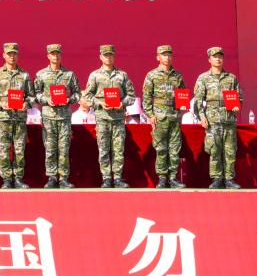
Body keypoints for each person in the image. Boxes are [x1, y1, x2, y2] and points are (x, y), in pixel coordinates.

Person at [82, 44, 136, 188]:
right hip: (102, 117)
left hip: (118, 118)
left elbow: (131, 95)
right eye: (105, 55)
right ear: (100, 57)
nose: (108, 58)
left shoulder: (122, 75)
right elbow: (87, 95)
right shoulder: (95, 75)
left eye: (111, 55)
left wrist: (122, 103)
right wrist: (100, 103)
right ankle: (106, 178)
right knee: (104, 148)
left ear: (114, 56)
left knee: (118, 149)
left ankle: (117, 177)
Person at [193, 46, 243, 189]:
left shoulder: (231, 78)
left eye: (220, 56)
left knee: (230, 150)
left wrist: (237, 105)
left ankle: (229, 179)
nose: (218, 59)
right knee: (214, 149)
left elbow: (239, 97)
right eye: (215, 57)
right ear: (209, 59)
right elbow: (198, 100)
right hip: (212, 119)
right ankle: (217, 178)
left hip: (228, 118)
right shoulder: (203, 78)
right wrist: (202, 116)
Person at [33, 44, 80, 189]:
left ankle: (63, 178)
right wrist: (46, 100)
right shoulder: (41, 74)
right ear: (48, 56)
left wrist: (69, 99)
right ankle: (52, 177)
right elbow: (35, 93)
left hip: (64, 116)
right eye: (53, 54)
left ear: (61, 55)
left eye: (58, 53)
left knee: (64, 148)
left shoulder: (69, 74)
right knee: (50, 148)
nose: (55, 56)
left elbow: (78, 93)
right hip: (49, 116)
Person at [0, 43, 35, 189]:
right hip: (4, 117)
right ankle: (7, 179)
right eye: (9, 54)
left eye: (14, 54)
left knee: (20, 149)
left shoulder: (24, 75)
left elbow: (31, 96)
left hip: (19, 117)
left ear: (18, 55)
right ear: (4, 55)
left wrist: (26, 104)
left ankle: (18, 178)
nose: (12, 56)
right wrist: (0, 104)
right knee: (4, 149)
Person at [142, 45, 188, 189]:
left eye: (169, 55)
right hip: (159, 115)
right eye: (164, 55)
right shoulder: (152, 75)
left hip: (174, 115)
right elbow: (146, 97)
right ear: (158, 57)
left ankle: (173, 178)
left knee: (174, 148)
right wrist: (150, 115)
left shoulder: (177, 76)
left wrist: (183, 106)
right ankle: (162, 178)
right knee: (161, 148)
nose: (167, 57)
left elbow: (182, 93)